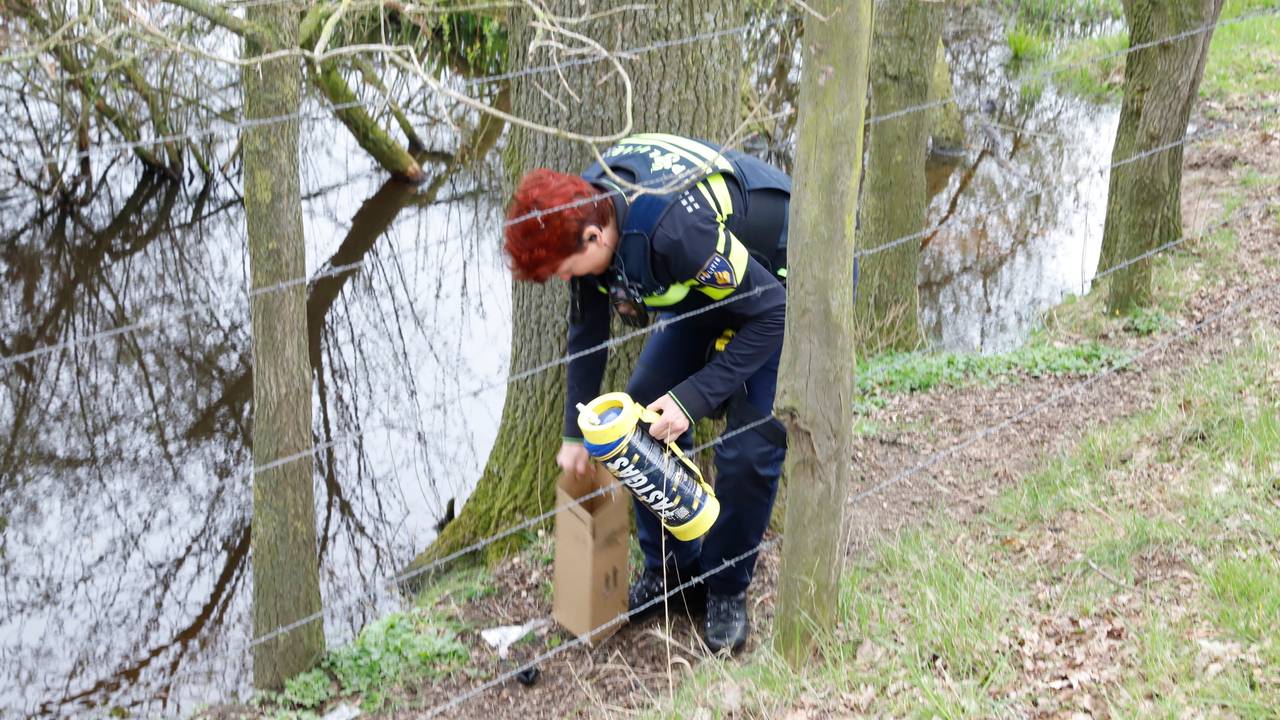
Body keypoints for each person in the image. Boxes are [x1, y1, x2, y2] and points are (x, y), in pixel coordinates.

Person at [503, 133, 791, 653]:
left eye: (565, 270)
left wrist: (692, 398)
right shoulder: (585, 208)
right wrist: (575, 431)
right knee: (630, 427)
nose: (568, 279)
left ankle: (725, 588)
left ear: (593, 239)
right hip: (706, 285)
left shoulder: (670, 231)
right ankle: (673, 573)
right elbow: (587, 332)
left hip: (775, 285)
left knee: (748, 447)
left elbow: (773, 311)